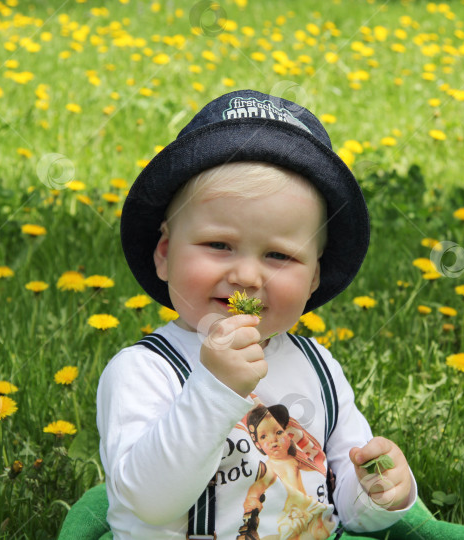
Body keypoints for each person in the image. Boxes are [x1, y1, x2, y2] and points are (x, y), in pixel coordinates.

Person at [97, 89, 416, 539]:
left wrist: (379, 490)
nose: (246, 275)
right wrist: (214, 389)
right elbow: (149, 503)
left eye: (279, 255)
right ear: (165, 253)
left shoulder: (319, 367)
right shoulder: (143, 372)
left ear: (313, 279)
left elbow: (343, 500)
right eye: (218, 245)